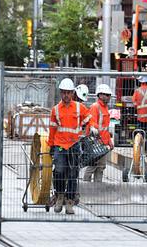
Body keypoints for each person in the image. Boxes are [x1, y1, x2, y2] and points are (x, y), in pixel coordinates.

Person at [48, 78, 97, 214]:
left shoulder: (79, 107)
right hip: (60, 145)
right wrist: (50, 146)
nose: (66, 95)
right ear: (60, 93)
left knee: (73, 174)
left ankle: (69, 202)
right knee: (58, 171)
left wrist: (92, 126)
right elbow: (52, 129)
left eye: (68, 93)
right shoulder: (55, 110)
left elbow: (89, 118)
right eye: (64, 93)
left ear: (73, 93)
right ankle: (59, 197)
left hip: (74, 145)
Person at [83, 83, 114, 182]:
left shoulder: (105, 108)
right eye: (107, 95)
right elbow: (92, 122)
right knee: (93, 166)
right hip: (95, 143)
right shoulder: (95, 107)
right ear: (100, 95)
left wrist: (109, 141)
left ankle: (98, 190)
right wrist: (93, 128)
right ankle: (85, 187)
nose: (109, 97)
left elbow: (105, 128)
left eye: (109, 95)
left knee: (101, 167)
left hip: (103, 143)